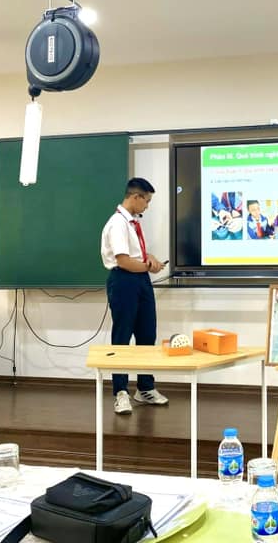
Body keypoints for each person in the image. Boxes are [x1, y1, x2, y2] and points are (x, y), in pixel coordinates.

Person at [100, 177, 168, 414]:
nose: (147, 206)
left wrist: (150, 259)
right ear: (135, 197)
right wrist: (149, 266)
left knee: (147, 334)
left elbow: (136, 255)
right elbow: (124, 261)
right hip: (124, 280)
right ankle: (120, 392)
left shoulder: (133, 222)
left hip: (141, 280)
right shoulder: (117, 223)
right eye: (146, 201)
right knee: (122, 336)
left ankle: (145, 388)